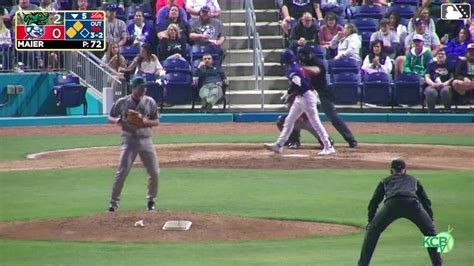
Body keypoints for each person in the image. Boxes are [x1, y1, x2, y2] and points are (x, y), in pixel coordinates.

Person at [357, 159, 442, 266]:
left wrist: (371, 221)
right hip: (412, 204)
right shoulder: (414, 180)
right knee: (430, 233)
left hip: (392, 205)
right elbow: (425, 201)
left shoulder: (385, 181)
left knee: (372, 232)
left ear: (391, 170)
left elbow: (374, 202)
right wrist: (430, 220)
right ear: (405, 171)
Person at [264, 49, 335, 156]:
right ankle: (279, 145)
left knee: (315, 122)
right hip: (301, 97)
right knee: (289, 120)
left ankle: (328, 146)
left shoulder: (293, 70)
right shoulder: (296, 66)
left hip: (306, 97)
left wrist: (289, 94)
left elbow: (298, 85)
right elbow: (297, 84)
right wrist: (289, 93)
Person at [107, 76, 160, 212]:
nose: (143, 89)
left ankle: (151, 200)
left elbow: (156, 121)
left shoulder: (150, 102)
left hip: (146, 140)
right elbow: (110, 117)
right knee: (122, 172)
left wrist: (144, 122)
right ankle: (113, 204)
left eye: (145, 87)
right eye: (141, 87)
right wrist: (118, 120)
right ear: (134, 88)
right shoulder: (123, 102)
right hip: (129, 140)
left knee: (154, 172)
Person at [298, 45, 358, 148]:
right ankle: (294, 140)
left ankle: (350, 139)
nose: (303, 57)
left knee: (333, 117)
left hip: (322, 92)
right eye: (301, 55)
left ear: (310, 54)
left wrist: (299, 69)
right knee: (296, 116)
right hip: (308, 92)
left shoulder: (318, 62)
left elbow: (315, 70)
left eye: (304, 55)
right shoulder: (302, 61)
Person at [424, 48, 454, 112]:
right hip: (433, 85)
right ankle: (431, 112)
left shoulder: (450, 65)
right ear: (436, 56)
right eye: (438, 54)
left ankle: (447, 110)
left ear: (445, 56)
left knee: (445, 91)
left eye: (442, 54)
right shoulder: (431, 65)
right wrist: (433, 84)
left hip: (446, 85)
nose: (440, 55)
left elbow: (452, 78)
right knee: (430, 91)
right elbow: (427, 77)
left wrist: (444, 84)